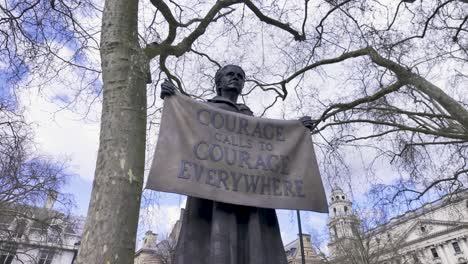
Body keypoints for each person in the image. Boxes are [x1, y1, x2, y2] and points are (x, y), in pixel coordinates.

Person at [160, 65, 313, 264]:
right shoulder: (204, 111)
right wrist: (173, 98)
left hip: (249, 196)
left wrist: (298, 130)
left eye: (240, 76)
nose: (236, 79)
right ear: (219, 82)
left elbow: (273, 146)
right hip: (212, 192)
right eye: (230, 75)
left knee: (251, 243)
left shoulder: (249, 118)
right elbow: (182, 135)